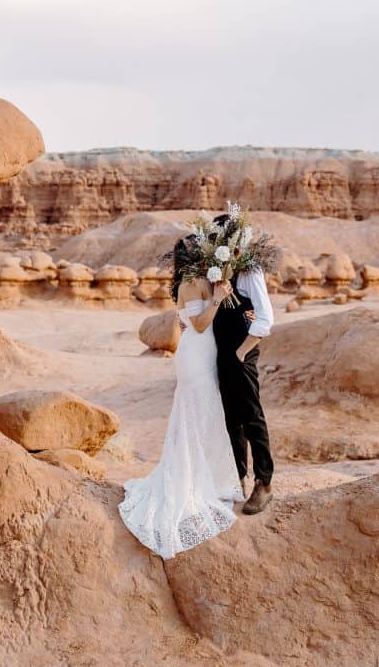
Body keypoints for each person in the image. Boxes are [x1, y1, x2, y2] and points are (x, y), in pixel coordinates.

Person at [118, 237, 244, 559]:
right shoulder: (194, 283)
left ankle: (207, 474)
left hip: (194, 353)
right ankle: (200, 480)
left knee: (199, 413)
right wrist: (218, 299)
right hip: (197, 353)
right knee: (199, 412)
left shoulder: (187, 281)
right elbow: (200, 325)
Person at [211, 213, 275, 515]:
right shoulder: (218, 270)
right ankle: (237, 479)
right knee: (230, 419)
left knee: (251, 416)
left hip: (242, 351)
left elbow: (265, 318)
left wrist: (241, 352)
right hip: (223, 352)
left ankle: (264, 483)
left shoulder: (250, 270)